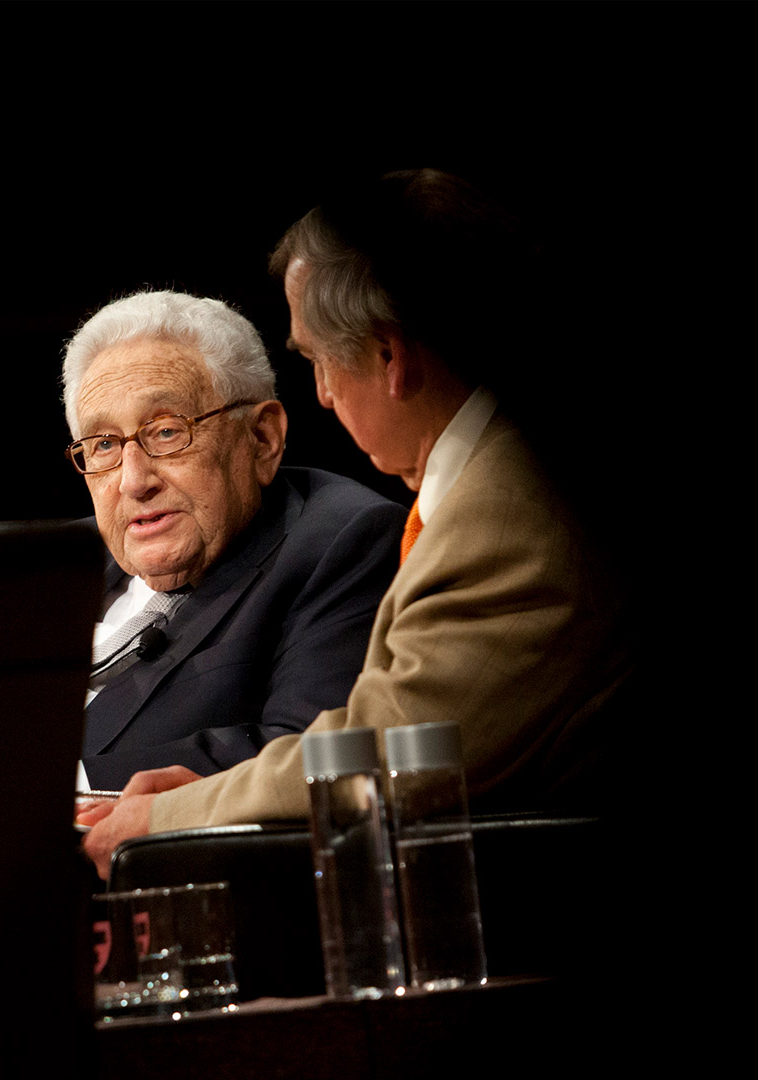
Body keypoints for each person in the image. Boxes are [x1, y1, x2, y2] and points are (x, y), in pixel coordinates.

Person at [83, 171, 632, 875]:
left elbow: (393, 747)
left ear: (389, 356)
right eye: (102, 446)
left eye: (315, 360)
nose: (322, 394)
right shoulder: (503, 477)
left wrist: (166, 817)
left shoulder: (509, 515)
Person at [63, 291, 401, 787]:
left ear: (262, 439)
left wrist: (50, 785)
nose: (134, 481)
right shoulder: (52, 567)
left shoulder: (343, 542)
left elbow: (309, 757)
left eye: (165, 432)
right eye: (105, 445)